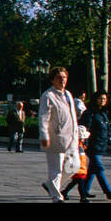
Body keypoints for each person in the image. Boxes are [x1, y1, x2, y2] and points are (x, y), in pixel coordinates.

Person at [38, 66, 79, 202]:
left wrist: (78, 133)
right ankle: (56, 197)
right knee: (56, 168)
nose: (62, 80)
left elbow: (72, 116)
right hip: (55, 137)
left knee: (74, 166)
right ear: (52, 80)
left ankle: (52, 186)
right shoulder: (48, 95)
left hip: (71, 137)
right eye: (59, 77)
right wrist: (44, 136)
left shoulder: (68, 94)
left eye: (64, 77)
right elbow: (43, 117)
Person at [77, 91, 111, 201]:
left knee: (92, 169)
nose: (102, 101)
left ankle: (82, 190)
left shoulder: (103, 113)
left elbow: (107, 128)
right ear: (95, 99)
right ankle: (108, 191)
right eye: (100, 98)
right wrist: (84, 142)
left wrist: (109, 139)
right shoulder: (89, 113)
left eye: (104, 99)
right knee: (99, 168)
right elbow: (84, 128)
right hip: (92, 145)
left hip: (101, 145)